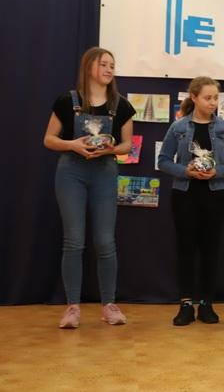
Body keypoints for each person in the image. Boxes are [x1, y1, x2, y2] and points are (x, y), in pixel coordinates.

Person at [43, 47, 135, 329]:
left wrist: (110, 149)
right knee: (74, 240)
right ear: (88, 67)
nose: (109, 69)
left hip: (104, 172)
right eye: (103, 64)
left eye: (112, 65)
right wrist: (73, 144)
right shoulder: (67, 101)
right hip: (71, 172)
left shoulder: (121, 105)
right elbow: (49, 139)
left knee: (105, 241)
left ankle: (109, 305)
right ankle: (72, 307)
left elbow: (127, 145)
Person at [158, 77, 224, 326]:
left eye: (216, 98)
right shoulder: (179, 127)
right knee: (186, 249)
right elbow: (163, 160)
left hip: (216, 195)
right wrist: (185, 171)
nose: (212, 102)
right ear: (194, 97)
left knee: (210, 249)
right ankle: (185, 304)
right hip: (185, 194)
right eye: (207, 98)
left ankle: (206, 303)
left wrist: (217, 172)